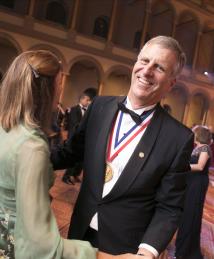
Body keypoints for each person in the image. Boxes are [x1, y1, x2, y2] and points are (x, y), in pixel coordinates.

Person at [51, 36, 194, 258]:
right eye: (144, 60)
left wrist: (147, 252)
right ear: (135, 63)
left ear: (171, 83)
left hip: (125, 247)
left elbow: (169, 206)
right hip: (79, 231)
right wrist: (21, 152)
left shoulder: (178, 138)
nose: (147, 71)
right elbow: (69, 153)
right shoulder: (98, 107)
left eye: (159, 67)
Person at [0, 50, 96, 259]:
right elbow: (40, 246)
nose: (61, 90)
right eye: (60, 84)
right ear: (49, 89)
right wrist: (97, 255)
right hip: (12, 243)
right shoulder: (31, 147)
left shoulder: (5, 126)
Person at [175, 125, 212, 259]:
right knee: (186, 214)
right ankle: (182, 248)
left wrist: (182, 166)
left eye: (193, 132)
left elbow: (200, 166)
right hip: (191, 182)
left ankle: (186, 251)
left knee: (192, 214)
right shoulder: (196, 147)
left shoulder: (205, 148)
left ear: (198, 134)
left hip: (197, 183)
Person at [62, 88, 97, 184]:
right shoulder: (74, 109)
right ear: (84, 99)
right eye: (89, 101)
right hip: (74, 139)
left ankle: (75, 174)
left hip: (82, 139)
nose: (90, 103)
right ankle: (66, 177)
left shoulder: (88, 111)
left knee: (81, 160)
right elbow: (74, 126)